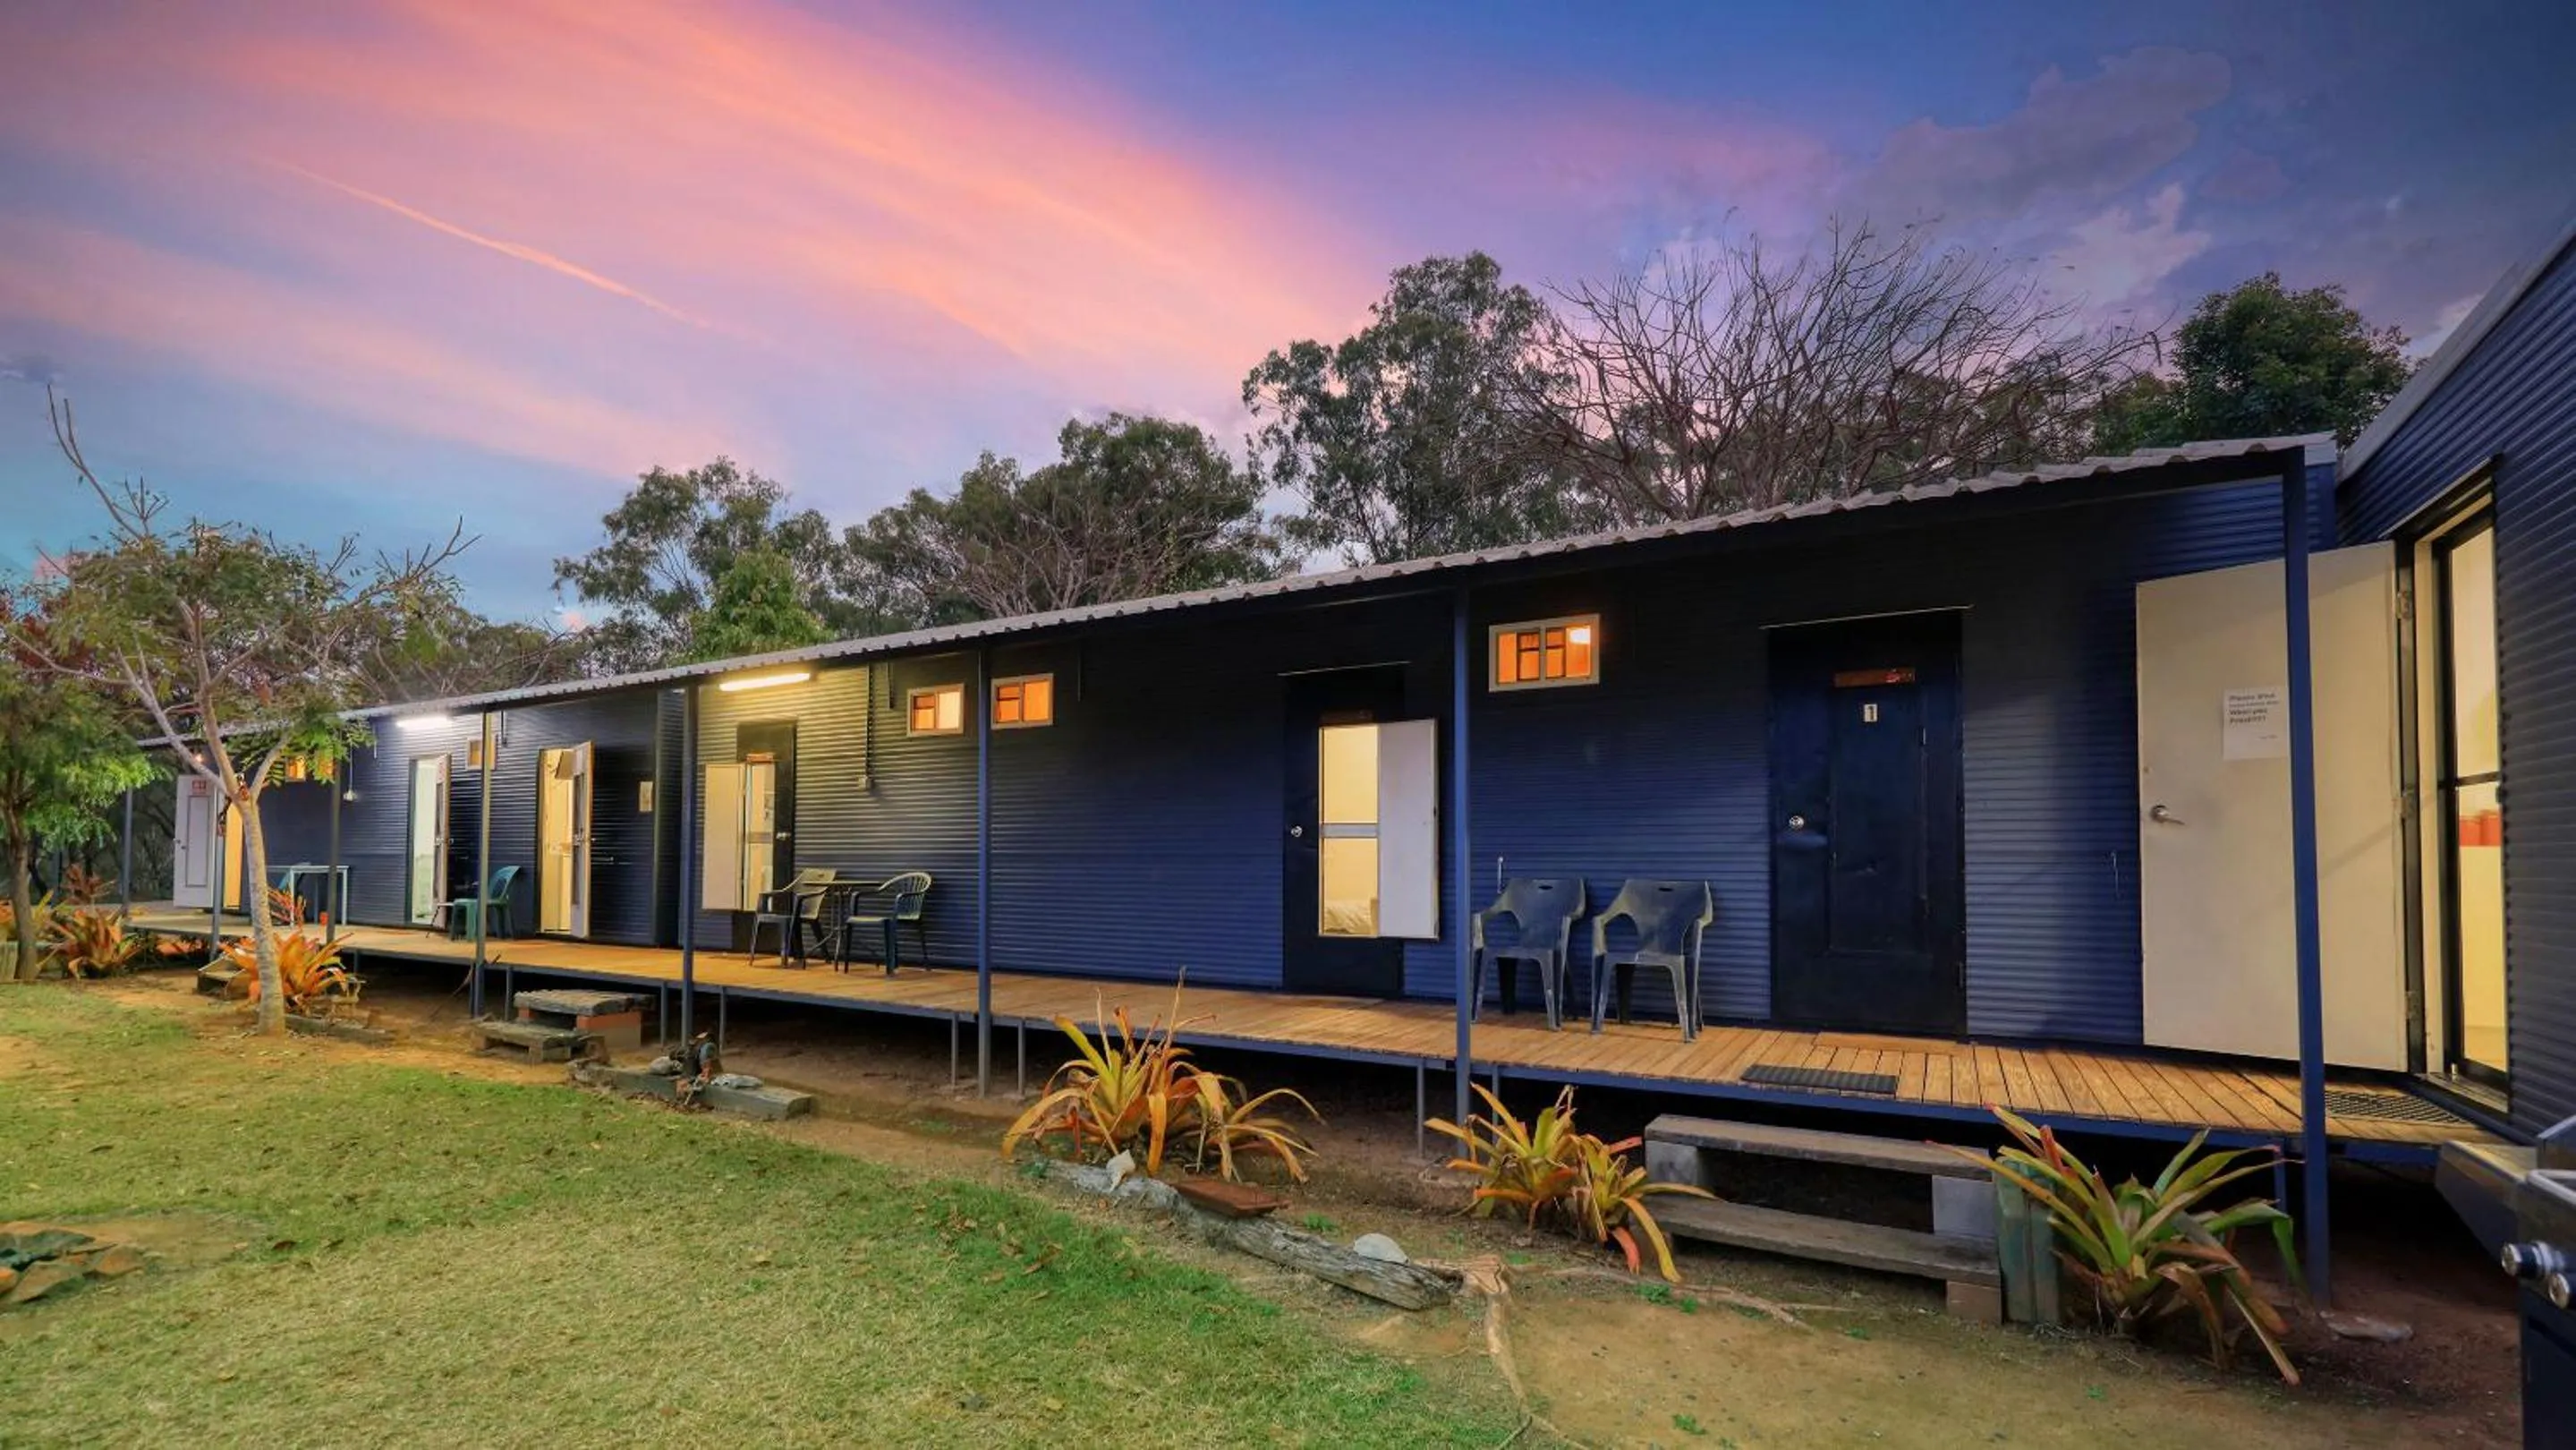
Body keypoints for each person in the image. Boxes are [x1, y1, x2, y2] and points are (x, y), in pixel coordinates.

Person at [674, 1031, 721, 1109]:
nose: (699, 1042)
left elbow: (710, 1070)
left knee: (684, 1084)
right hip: (693, 1072)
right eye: (698, 1040)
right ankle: (684, 1101)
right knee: (682, 1084)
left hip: (699, 1072)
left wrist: (705, 1074)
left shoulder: (706, 1052)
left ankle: (688, 1102)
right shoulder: (692, 1054)